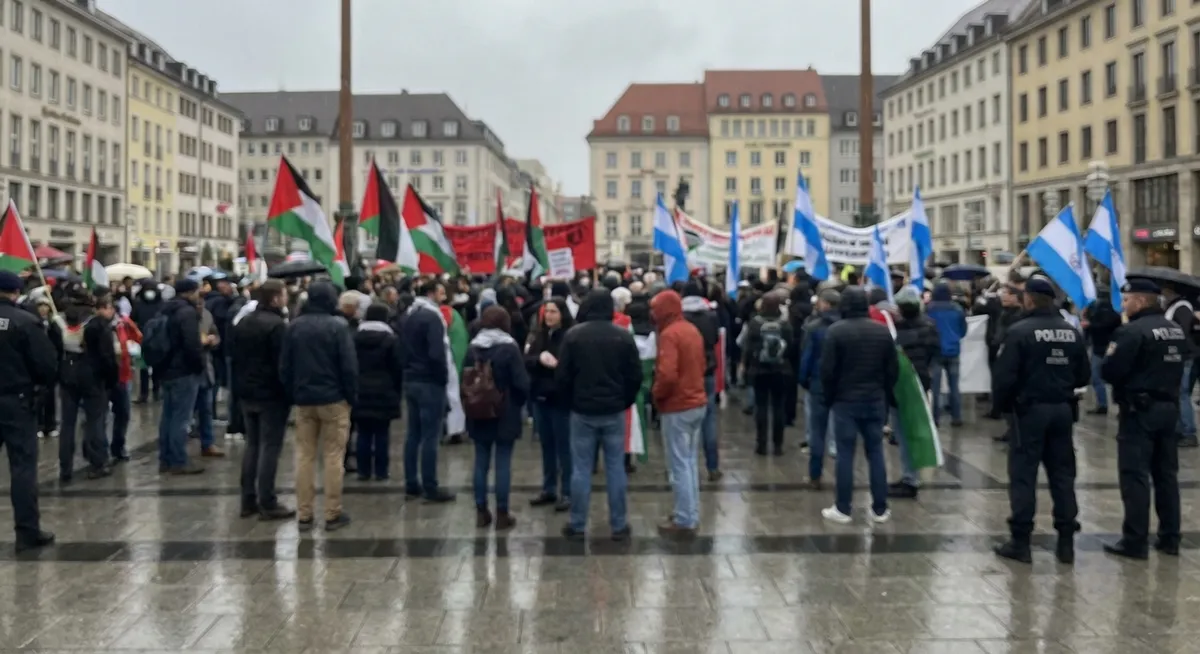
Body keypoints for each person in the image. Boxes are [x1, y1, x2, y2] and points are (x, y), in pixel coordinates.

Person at [991, 277, 1091, 564]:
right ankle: (1066, 541)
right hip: (1062, 409)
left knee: (1023, 475)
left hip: (1029, 411)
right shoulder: (1071, 332)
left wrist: (1002, 408)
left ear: (1031, 300)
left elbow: (1004, 377)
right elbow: (1083, 375)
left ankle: (1021, 541)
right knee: (1062, 476)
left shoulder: (1019, 331)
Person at [1101, 278, 1186, 559]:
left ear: (1138, 301)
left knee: (1135, 476)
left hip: (1140, 410)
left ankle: (1135, 540)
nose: (1123, 306)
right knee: (1166, 475)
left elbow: (1110, 371)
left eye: (1126, 301)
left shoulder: (1131, 331)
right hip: (1168, 408)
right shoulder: (1174, 329)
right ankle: (1170, 537)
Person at [556, 289, 643, 541]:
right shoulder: (623, 337)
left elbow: (562, 376)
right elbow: (635, 375)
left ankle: (577, 522)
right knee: (616, 467)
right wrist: (624, 400)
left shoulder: (573, 336)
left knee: (581, 468)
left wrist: (571, 401)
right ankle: (618, 524)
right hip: (614, 410)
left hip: (582, 410)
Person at [281, 281, 358, 531]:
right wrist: (351, 396)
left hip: (304, 400)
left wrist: (293, 392)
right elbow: (348, 366)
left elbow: (285, 366)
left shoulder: (294, 327)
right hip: (334, 398)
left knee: (304, 456)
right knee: (334, 456)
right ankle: (332, 512)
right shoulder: (338, 327)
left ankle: (304, 514)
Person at [819, 286, 898, 524]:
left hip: (845, 401)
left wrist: (830, 397)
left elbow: (827, 371)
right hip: (874, 401)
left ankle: (843, 508)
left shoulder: (836, 332)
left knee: (845, 454)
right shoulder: (882, 332)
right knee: (875, 453)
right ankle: (880, 508)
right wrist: (884, 392)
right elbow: (892, 369)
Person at [0, 271, 58, 551]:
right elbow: (47, 365)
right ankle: (27, 532)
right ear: (14, 292)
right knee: (22, 467)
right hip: (16, 401)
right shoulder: (25, 321)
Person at [231, 280, 294, 520]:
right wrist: (287, 391)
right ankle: (267, 500)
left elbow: (234, 356)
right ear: (276, 298)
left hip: (247, 391)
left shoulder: (244, 321)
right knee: (270, 447)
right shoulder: (277, 326)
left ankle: (248, 499)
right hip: (271, 394)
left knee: (253, 445)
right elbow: (282, 364)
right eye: (284, 295)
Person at [464, 305, 530, 529]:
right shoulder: (510, 349)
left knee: (480, 462)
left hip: (477, 411)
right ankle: (503, 512)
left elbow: (465, 379)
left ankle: (481, 511)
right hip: (505, 411)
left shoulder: (473, 348)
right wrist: (519, 404)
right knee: (503, 462)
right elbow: (521, 383)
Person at [651, 290, 709, 538]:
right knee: (689, 462)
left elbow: (667, 374)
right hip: (697, 402)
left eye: (655, 308)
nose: (653, 314)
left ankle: (685, 518)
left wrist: (657, 394)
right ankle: (690, 512)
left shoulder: (669, 335)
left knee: (678, 464)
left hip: (678, 405)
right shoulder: (690, 329)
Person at [400, 278, 456, 503]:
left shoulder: (408, 315)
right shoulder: (432, 317)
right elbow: (436, 353)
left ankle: (411, 483)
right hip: (429, 381)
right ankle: (430, 485)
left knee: (413, 434)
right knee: (431, 436)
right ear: (432, 293)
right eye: (441, 292)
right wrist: (443, 378)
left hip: (411, 379)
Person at [58, 293, 118, 482]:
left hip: (67, 372)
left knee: (67, 424)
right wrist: (111, 380)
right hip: (92, 375)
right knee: (94, 421)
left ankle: (65, 467)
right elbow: (107, 356)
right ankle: (97, 462)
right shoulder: (97, 323)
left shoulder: (58, 321)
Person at [526, 297, 575, 512]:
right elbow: (526, 359)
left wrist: (558, 365)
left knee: (564, 447)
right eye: (547, 312)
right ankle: (549, 488)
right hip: (540, 397)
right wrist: (538, 359)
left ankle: (568, 491)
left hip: (561, 399)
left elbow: (573, 366)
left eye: (554, 311)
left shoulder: (570, 336)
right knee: (547, 445)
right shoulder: (540, 335)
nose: (549, 316)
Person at [889, 288, 939, 499]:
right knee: (912, 429)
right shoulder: (929, 326)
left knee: (903, 431)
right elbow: (935, 353)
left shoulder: (897, 331)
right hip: (921, 382)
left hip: (901, 384)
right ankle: (911, 475)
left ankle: (910, 478)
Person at [156, 279, 207, 475]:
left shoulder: (165, 309)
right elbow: (191, 345)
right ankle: (178, 460)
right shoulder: (187, 313)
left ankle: (165, 458)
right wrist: (198, 366)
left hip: (166, 369)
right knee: (181, 418)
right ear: (189, 292)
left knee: (168, 417)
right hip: (183, 371)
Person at [352, 303, 404, 481]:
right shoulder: (391, 340)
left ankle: (363, 470)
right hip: (384, 390)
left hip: (359, 389)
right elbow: (397, 367)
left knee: (363, 432)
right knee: (382, 433)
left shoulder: (354, 338)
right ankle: (381, 471)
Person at [741, 292, 795, 455]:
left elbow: (748, 348)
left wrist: (746, 366)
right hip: (781, 370)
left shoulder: (755, 323)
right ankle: (778, 445)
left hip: (759, 370)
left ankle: (761, 444)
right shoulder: (785, 324)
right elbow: (791, 347)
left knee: (761, 407)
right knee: (778, 407)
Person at [798, 289, 840, 488]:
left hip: (819, 383)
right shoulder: (845, 327)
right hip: (841, 384)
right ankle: (843, 472)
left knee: (817, 430)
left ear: (826, 304)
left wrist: (804, 379)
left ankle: (815, 475)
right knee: (841, 430)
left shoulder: (814, 328)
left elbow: (807, 358)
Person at [681, 281, 723, 481]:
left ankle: (685, 465)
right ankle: (713, 466)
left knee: (683, 420)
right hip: (707, 369)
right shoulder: (710, 316)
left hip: (686, 372)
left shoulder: (680, 318)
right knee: (709, 418)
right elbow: (715, 340)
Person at [926, 282, 968, 428]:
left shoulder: (929, 309)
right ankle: (956, 417)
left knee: (935, 388)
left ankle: (935, 418)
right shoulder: (957, 309)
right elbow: (963, 331)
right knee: (954, 386)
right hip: (953, 351)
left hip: (935, 352)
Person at [1161, 283, 1197, 447]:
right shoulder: (1173, 306)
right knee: (1177, 393)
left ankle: (1188, 432)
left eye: (1166, 291)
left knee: (1182, 394)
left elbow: (1181, 331)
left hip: (1182, 355)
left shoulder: (1182, 307)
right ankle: (1179, 429)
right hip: (1176, 354)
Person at [109, 308, 142, 462]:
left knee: (123, 412)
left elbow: (138, 338)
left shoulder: (124, 323)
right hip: (102, 376)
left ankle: (118, 445)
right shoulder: (93, 324)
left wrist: (131, 348)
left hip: (122, 373)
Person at [1082, 291, 1122, 415]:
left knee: (1097, 378)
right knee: (1105, 378)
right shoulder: (1109, 310)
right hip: (1106, 347)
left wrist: (1089, 325)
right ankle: (1112, 405)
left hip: (1101, 347)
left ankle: (1103, 404)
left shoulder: (1101, 310)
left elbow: (1104, 325)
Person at [130, 283, 164, 403]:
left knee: (158, 368)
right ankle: (143, 394)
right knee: (143, 368)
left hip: (158, 340)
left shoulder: (161, 304)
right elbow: (132, 319)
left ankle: (156, 390)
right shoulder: (139, 304)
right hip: (141, 340)